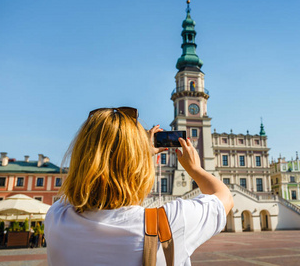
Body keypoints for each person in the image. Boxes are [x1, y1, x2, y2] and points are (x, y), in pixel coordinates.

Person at [44, 107, 233, 266]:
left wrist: (138, 154)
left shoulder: (57, 219)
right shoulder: (170, 222)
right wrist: (196, 170)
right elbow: (224, 197)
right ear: (139, 167)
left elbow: (79, 186)